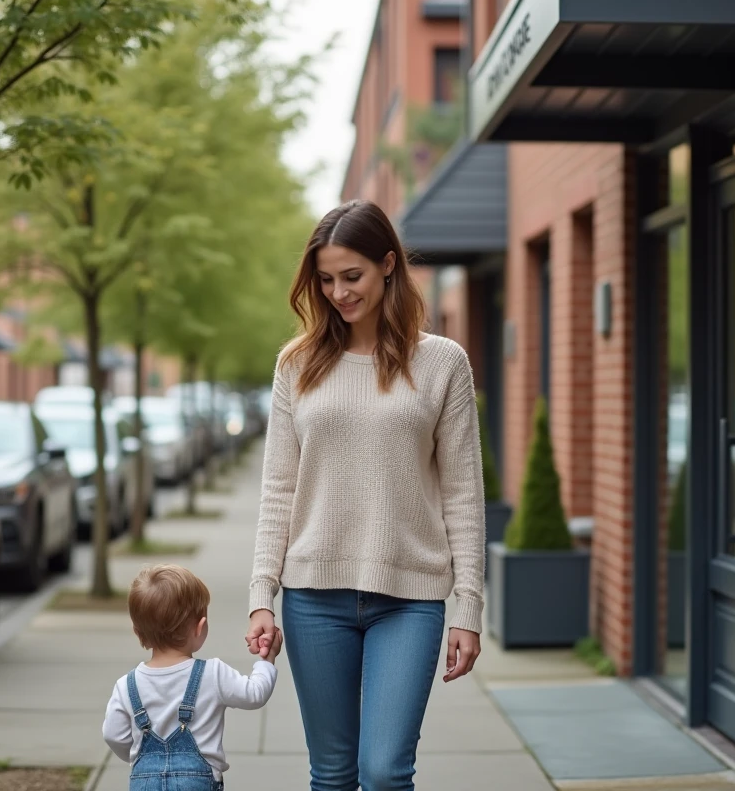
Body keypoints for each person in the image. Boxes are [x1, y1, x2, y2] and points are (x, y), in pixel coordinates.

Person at [245, 199, 485, 790]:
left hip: (410, 599)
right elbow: (278, 487)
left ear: (387, 265)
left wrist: (469, 608)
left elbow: (462, 492)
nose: (338, 293)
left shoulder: (442, 363)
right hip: (313, 599)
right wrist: (261, 596)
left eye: (351, 276)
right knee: (331, 775)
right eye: (325, 280)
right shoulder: (297, 365)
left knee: (383, 772)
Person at [104, 564, 283, 790]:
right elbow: (255, 694)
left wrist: (139, 757)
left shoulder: (125, 686)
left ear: (138, 633)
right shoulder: (213, 673)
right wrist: (268, 659)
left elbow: (113, 735)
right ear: (200, 627)